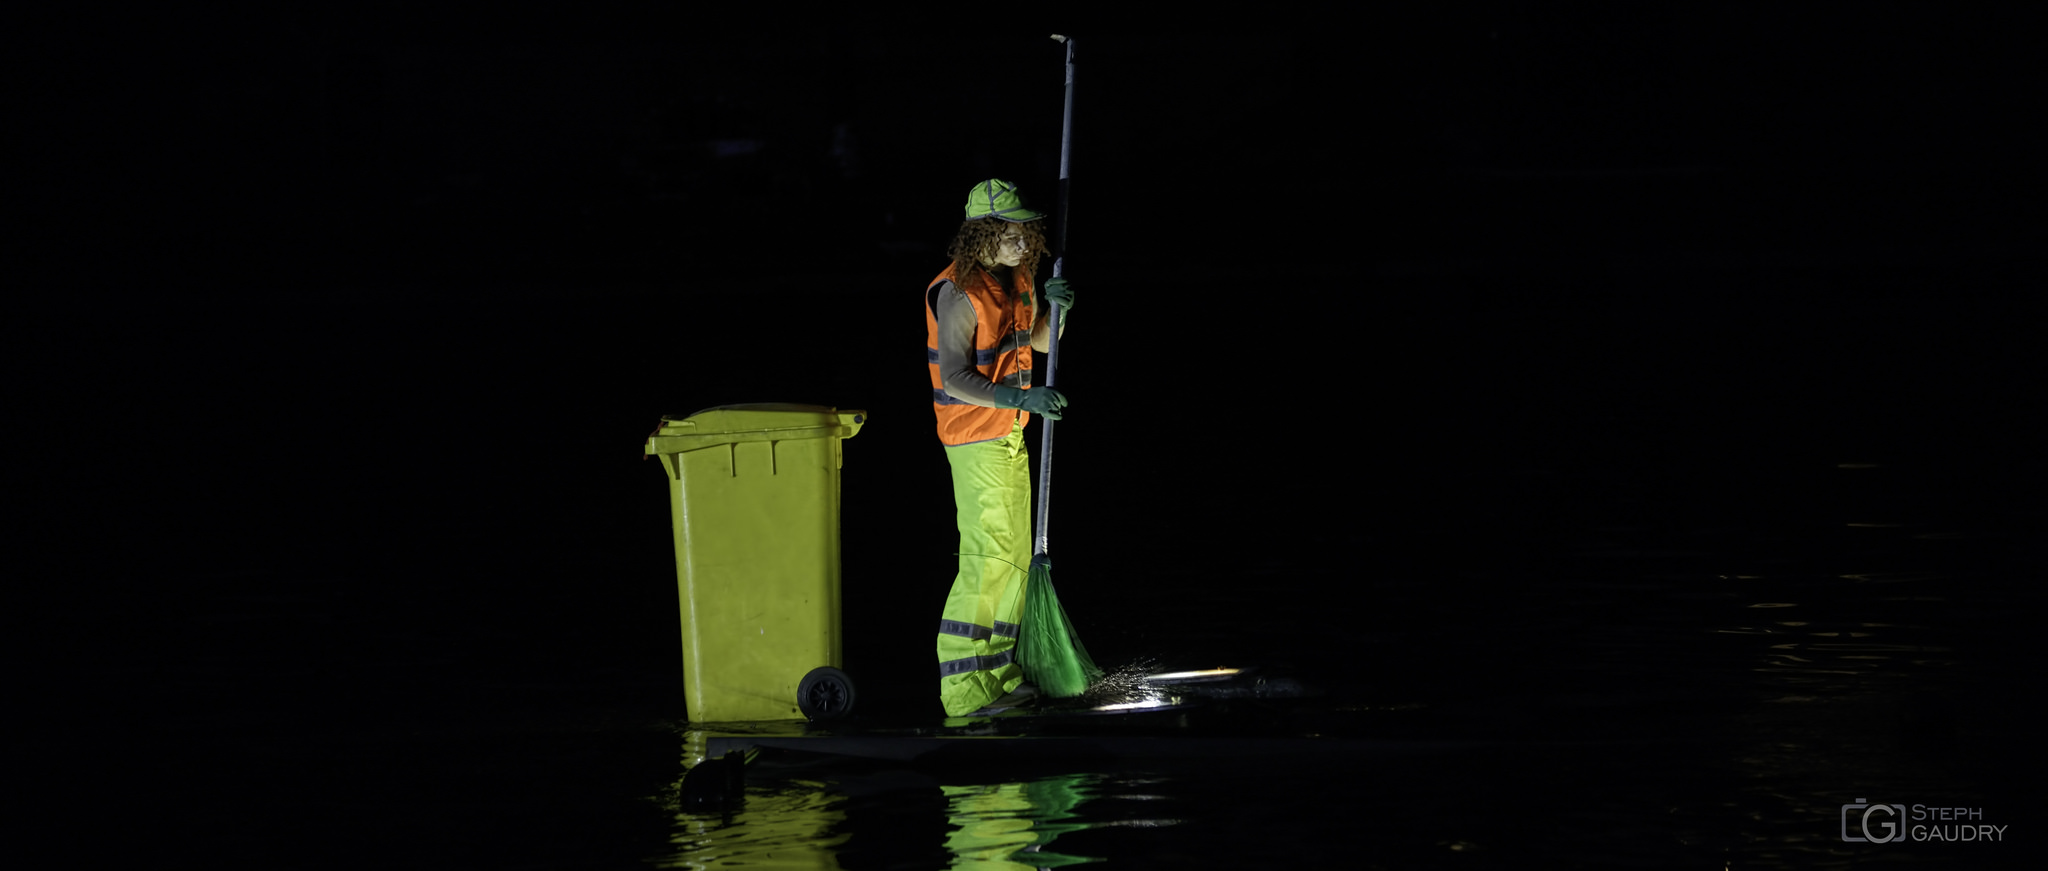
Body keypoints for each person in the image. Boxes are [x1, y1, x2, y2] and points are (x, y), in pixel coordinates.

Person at [925, 179, 1075, 717]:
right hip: (974, 436)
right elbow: (955, 376)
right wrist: (1022, 396)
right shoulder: (957, 292)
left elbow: (1037, 343)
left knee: (1012, 559)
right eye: (1012, 232)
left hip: (1008, 430)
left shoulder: (1017, 280)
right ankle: (964, 691)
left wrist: (1056, 313)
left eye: (1026, 233)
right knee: (987, 558)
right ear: (985, 233)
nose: (1023, 241)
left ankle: (998, 675)